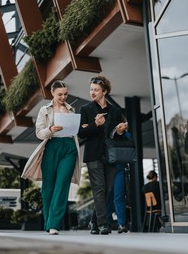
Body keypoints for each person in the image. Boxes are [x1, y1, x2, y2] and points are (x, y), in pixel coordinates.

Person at [21, 80, 81, 235]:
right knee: (48, 188)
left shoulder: (72, 110)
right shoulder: (44, 110)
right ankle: (48, 222)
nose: (63, 97)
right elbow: (39, 133)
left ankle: (54, 224)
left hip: (69, 148)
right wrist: (50, 129)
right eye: (60, 94)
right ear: (52, 93)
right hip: (52, 146)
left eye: (66, 94)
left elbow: (74, 130)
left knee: (62, 185)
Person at [78, 75, 128, 235]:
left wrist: (119, 131)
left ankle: (93, 222)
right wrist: (94, 125)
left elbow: (115, 135)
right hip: (93, 155)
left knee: (106, 191)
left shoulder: (115, 111)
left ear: (104, 91)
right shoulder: (86, 109)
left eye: (96, 90)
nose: (92, 92)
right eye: (91, 89)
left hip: (111, 155)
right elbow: (82, 133)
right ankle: (102, 225)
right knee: (99, 190)